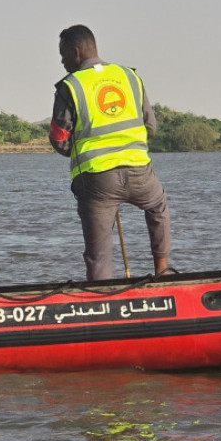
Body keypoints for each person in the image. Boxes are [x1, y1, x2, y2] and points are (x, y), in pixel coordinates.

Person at [49, 24, 172, 281]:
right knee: (158, 207)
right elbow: (151, 126)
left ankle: (101, 295)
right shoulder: (129, 76)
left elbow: (59, 139)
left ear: (76, 51)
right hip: (140, 173)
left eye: (63, 54)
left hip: (97, 181)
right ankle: (162, 272)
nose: (61, 61)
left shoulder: (70, 86)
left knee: (99, 253)